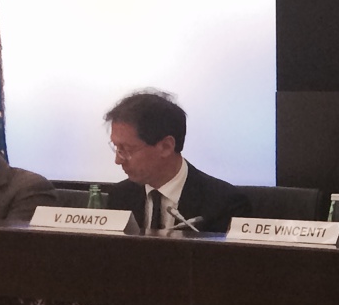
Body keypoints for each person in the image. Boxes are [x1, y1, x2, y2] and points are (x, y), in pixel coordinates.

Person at [102, 90, 249, 235]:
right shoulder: (119, 197)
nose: (118, 160)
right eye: (116, 147)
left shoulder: (224, 204)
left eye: (127, 149)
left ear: (166, 147)